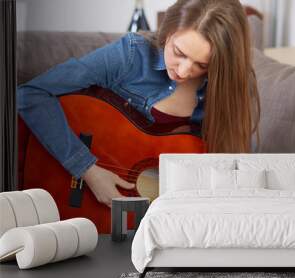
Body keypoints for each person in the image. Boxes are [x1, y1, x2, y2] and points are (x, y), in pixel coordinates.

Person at [17, 0, 261, 208]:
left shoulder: (230, 89)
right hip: (76, 190)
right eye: (179, 52)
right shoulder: (131, 55)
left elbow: (230, 167)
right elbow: (31, 94)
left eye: (202, 65)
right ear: (168, 33)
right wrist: (87, 169)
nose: (185, 70)